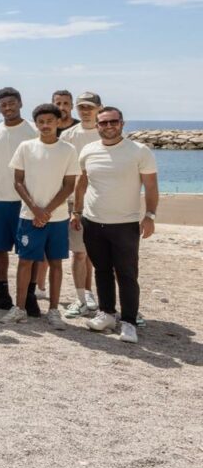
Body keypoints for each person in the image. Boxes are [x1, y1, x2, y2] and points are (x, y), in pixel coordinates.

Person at [76, 106, 158, 343]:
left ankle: (129, 322)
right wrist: (76, 211)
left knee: (127, 274)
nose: (108, 126)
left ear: (122, 123)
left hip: (125, 224)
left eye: (113, 122)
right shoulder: (88, 151)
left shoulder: (139, 151)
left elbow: (151, 186)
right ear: (97, 125)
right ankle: (107, 313)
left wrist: (150, 216)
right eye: (103, 123)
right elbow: (82, 183)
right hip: (93, 222)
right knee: (102, 271)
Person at [2, 103, 80, 328]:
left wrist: (46, 211)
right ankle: (19, 308)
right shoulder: (26, 147)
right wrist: (35, 208)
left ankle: (54, 311)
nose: (45, 125)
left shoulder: (68, 150)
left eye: (50, 121)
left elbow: (69, 185)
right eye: (41, 122)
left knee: (55, 263)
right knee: (25, 262)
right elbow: (17, 181)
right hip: (28, 216)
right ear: (36, 124)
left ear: (58, 122)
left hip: (57, 218)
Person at [0, 87, 39, 313]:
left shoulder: (33, 131)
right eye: (3, 105)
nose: (8, 108)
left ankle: (29, 295)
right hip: (0, 200)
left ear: (20, 103)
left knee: (30, 250)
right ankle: (1, 291)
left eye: (11, 103)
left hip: (27, 201)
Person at [60, 92, 102, 318]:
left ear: (99, 108)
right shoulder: (68, 135)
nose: (85, 111)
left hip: (101, 201)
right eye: (81, 107)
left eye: (89, 107)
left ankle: (100, 298)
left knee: (101, 255)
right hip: (73, 202)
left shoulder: (106, 131)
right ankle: (81, 298)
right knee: (79, 253)